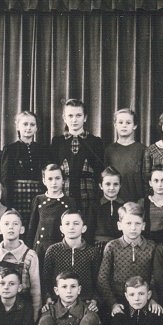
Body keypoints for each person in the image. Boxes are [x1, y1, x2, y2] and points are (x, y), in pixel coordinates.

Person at [50, 98, 105, 238]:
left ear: (85, 117)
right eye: (70, 116)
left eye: (78, 115)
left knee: (86, 231)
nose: (74, 120)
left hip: (88, 195)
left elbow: (99, 172)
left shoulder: (95, 142)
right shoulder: (57, 142)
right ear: (64, 118)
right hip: (64, 193)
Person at [97, 202, 161, 319]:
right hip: (119, 299)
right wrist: (113, 303)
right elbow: (102, 278)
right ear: (119, 225)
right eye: (128, 223)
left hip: (144, 299)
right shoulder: (112, 246)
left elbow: (156, 276)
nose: (133, 228)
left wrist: (152, 299)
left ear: (143, 226)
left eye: (137, 223)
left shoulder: (152, 246)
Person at [0, 209, 41, 320]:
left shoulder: (30, 256)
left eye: (15, 224)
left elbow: (36, 292)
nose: (11, 227)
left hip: (23, 314)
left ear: (22, 229)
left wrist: (34, 320)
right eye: (6, 224)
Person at [43, 210, 101, 312]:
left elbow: (98, 280)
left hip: (85, 303)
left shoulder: (92, 252)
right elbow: (46, 278)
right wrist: (48, 298)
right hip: (58, 302)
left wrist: (94, 300)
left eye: (76, 223)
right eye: (67, 223)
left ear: (84, 228)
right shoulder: (53, 250)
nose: (71, 227)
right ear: (61, 228)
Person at [1, 111, 51, 228]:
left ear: (36, 128)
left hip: (38, 195)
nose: (28, 128)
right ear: (18, 126)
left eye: (32, 125)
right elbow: (5, 178)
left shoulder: (43, 149)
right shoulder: (10, 149)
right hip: (17, 196)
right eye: (25, 124)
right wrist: (9, 203)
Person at [26, 164, 76, 264]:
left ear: (63, 180)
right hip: (41, 249)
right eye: (50, 179)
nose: (54, 182)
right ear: (44, 181)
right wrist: (28, 250)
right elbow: (32, 227)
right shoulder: (38, 200)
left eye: (57, 178)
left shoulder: (70, 202)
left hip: (62, 249)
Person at [104, 108, 147, 202]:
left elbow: (147, 180)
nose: (124, 125)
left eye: (128, 123)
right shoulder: (109, 150)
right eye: (120, 122)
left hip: (137, 202)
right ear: (115, 125)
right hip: (115, 201)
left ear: (134, 126)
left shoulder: (142, 150)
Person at [92, 166, 125, 244]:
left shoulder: (124, 206)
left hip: (119, 245)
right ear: (101, 186)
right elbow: (90, 231)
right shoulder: (95, 206)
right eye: (108, 184)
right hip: (100, 244)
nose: (112, 188)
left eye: (115, 184)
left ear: (120, 186)